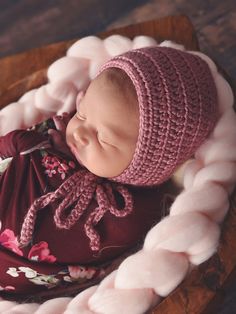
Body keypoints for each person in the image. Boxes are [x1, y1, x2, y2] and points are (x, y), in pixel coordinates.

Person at [0, 46, 217, 299]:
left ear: (143, 164)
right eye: (82, 114)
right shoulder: (60, 133)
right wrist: (28, 145)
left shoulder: (127, 212)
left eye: (103, 138)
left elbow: (81, 247)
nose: (79, 132)